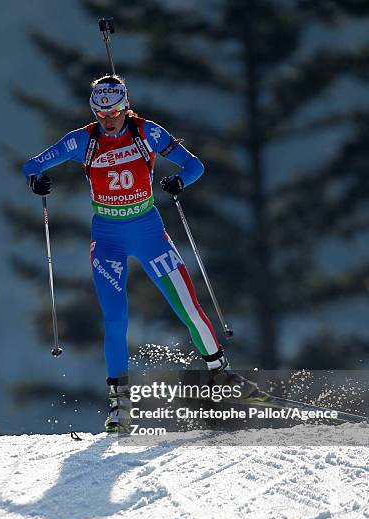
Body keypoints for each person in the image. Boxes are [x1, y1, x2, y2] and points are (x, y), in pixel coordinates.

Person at [23, 75, 261, 432]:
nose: (108, 119)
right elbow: (33, 164)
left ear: (125, 105)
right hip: (108, 238)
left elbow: (195, 165)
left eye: (115, 111)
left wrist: (180, 181)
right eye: (100, 113)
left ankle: (222, 376)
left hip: (149, 233)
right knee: (116, 319)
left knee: (188, 308)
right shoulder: (82, 140)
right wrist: (35, 180)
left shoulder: (146, 132)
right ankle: (120, 403)